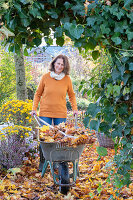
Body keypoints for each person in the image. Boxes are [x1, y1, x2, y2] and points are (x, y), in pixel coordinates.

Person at [31, 54, 78, 171]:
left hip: (60, 113)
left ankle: (58, 162)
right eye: (58, 63)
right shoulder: (45, 77)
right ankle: (44, 161)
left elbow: (71, 95)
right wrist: (34, 109)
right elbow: (37, 94)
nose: (60, 66)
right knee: (45, 138)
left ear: (65, 66)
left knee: (60, 138)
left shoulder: (67, 79)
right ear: (53, 64)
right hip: (45, 112)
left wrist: (75, 109)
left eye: (62, 64)